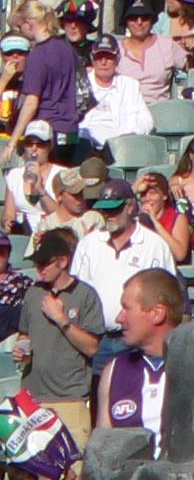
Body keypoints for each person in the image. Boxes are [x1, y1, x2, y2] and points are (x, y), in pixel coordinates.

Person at [16, 229, 104, 445]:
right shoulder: (33, 293)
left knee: (74, 473)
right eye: (37, 264)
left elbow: (92, 347)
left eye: (44, 264)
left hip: (70, 400)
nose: (39, 270)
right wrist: (21, 351)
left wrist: (62, 320)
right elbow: (24, 333)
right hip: (32, 399)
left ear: (63, 262)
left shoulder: (85, 295)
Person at [71, 179, 179, 341]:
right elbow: (76, 291)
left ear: (129, 207)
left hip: (139, 339)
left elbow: (168, 296)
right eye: (104, 211)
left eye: (114, 210)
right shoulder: (88, 244)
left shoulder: (154, 245)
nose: (108, 216)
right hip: (95, 339)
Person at [97, 268, 183, 455]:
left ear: (157, 313)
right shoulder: (114, 370)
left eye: (127, 308)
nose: (119, 318)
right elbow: (102, 454)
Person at [4, 0, 81, 165]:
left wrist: (13, 141)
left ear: (28, 24)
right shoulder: (67, 49)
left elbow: (31, 102)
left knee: (40, 184)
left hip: (46, 131)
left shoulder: (38, 55)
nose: (21, 33)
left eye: (19, 28)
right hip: (70, 130)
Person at [80, 35, 156, 151]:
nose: (103, 62)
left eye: (109, 57)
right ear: (92, 59)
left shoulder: (130, 85)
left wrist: (131, 136)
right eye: (99, 57)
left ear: (117, 59)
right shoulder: (80, 85)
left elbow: (147, 122)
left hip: (122, 149)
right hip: (86, 148)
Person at [3, 120, 59, 234]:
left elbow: (62, 216)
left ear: (50, 146)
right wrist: (9, 222)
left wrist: (40, 189)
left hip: (51, 234)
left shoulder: (60, 174)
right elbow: (8, 214)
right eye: (29, 143)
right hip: (22, 234)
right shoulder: (14, 175)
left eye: (40, 144)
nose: (34, 148)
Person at [132, 172, 193, 267]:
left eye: (153, 193)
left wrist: (155, 223)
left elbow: (180, 255)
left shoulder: (177, 217)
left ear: (164, 196)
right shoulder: (135, 219)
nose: (147, 199)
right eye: (143, 194)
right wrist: (134, 189)